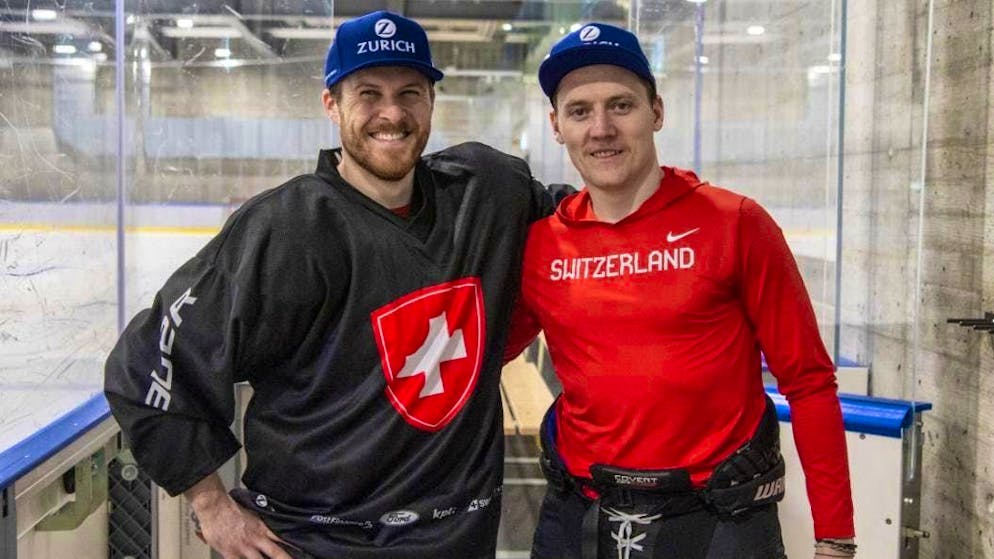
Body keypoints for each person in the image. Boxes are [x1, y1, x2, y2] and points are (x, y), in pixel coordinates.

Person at [104, 10, 557, 559]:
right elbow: (147, 363)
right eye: (369, 93)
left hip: (455, 539)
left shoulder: (487, 193)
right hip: (311, 542)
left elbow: (592, 223)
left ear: (432, 102)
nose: (392, 113)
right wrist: (213, 508)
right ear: (331, 104)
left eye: (410, 92)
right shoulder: (283, 229)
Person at [505, 23, 856, 559]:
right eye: (580, 111)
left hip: (719, 523)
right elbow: (475, 357)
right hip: (579, 518)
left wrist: (835, 537)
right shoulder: (542, 246)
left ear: (657, 112)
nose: (601, 128)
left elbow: (808, 381)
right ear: (557, 126)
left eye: (620, 105)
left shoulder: (735, 223)